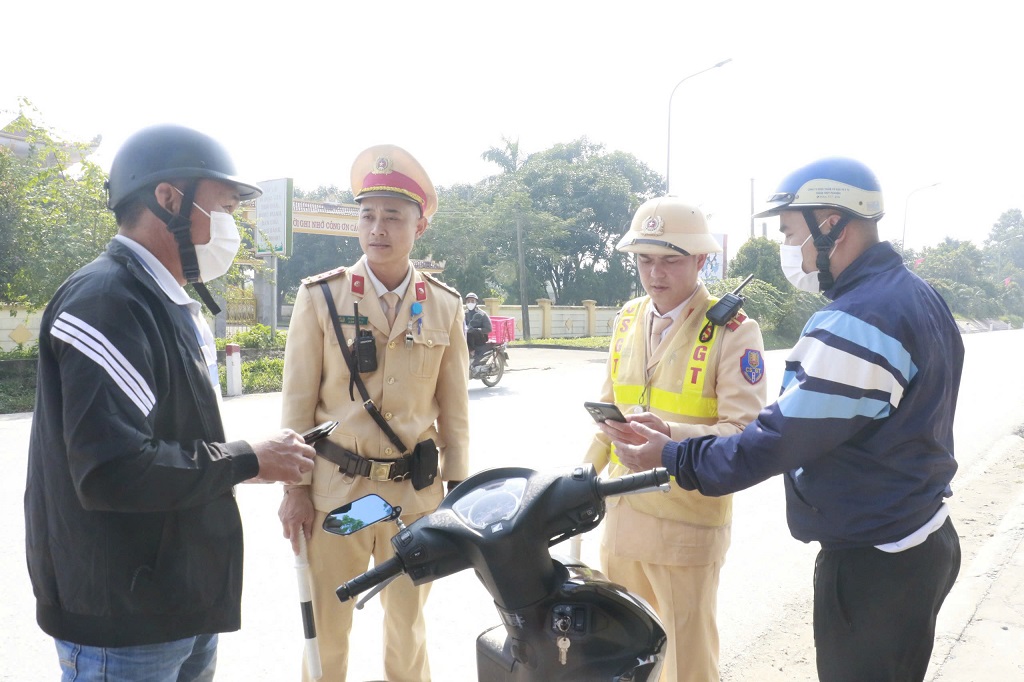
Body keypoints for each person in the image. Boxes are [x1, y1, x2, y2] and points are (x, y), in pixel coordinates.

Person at [612, 158, 963, 682]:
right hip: (914, 534)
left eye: (789, 232)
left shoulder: (859, 321)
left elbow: (774, 441)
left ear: (830, 224)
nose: (786, 248)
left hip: (876, 560)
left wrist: (671, 452)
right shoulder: (914, 296)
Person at [24, 124, 316, 681]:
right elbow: (112, 470)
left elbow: (169, 443)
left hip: (173, 597)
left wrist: (250, 461)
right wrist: (248, 458)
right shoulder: (107, 301)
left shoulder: (164, 300)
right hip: (124, 618)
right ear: (168, 199)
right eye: (225, 208)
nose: (231, 227)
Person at [278, 144, 470, 682]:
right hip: (341, 492)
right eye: (367, 215)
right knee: (328, 630)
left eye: (392, 216)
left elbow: (455, 410)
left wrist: (457, 492)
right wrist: (294, 491)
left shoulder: (445, 305)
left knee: (407, 630)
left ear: (419, 227)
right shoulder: (322, 297)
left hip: (413, 496)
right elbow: (296, 405)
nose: (377, 228)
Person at [584, 196, 767, 682]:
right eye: (644, 259)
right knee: (624, 660)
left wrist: (671, 434)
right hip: (621, 524)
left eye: (670, 260)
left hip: (687, 527)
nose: (655, 273)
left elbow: (744, 435)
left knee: (687, 665)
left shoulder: (734, 332)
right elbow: (608, 415)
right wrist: (580, 477)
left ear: (701, 260)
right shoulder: (628, 318)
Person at [464, 292, 492, 364]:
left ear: (476, 302)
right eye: (468, 301)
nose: (470, 303)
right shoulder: (464, 313)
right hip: (467, 337)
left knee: (471, 331)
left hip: (481, 338)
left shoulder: (482, 314)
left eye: (472, 301)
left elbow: (489, 329)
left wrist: (477, 330)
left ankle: (472, 352)